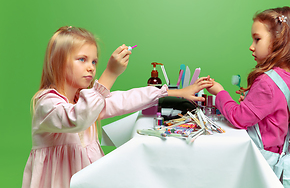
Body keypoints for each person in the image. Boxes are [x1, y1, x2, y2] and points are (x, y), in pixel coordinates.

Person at [22, 26, 212, 188]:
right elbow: (78, 119)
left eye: (94, 61)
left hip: (85, 178)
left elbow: (125, 99)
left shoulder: (85, 99)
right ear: (58, 62)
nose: (91, 67)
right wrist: (110, 74)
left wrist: (175, 93)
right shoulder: (46, 103)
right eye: (82, 59)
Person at [206, 6, 290, 186]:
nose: (251, 47)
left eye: (257, 39)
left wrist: (220, 92)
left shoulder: (267, 82)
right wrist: (256, 106)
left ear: (279, 42)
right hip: (277, 163)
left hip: (260, 163)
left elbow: (238, 118)